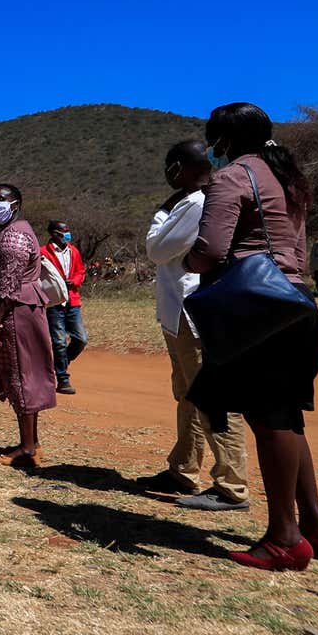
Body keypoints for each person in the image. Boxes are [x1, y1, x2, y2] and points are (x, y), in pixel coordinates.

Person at [185, 103, 318, 571]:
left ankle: (285, 537)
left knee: (269, 424)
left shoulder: (232, 178)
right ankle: (315, 525)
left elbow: (210, 251)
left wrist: (184, 262)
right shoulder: (287, 177)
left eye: (214, 140)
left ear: (223, 141)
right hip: (297, 303)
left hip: (257, 312)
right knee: (288, 419)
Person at [135, 142, 248, 509]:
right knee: (187, 393)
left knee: (212, 396)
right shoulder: (193, 201)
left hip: (194, 311)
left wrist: (159, 214)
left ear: (181, 167)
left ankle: (232, 485)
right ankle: (183, 468)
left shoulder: (197, 204)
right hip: (179, 312)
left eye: (171, 165)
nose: (167, 172)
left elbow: (156, 249)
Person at [0, 184, 57, 468]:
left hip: (13, 313)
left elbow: (8, 284)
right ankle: (30, 443)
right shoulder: (15, 232)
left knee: (20, 374)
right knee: (23, 375)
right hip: (21, 309)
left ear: (16, 203)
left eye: (0, 199)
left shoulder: (13, 237)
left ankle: (26, 448)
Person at [40, 219, 87, 395]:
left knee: (81, 339)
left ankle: (56, 366)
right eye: (63, 231)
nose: (67, 234)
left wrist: (74, 281)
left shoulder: (73, 251)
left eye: (68, 231)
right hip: (54, 302)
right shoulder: (43, 252)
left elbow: (81, 271)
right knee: (58, 342)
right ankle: (63, 379)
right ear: (53, 233)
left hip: (72, 300)